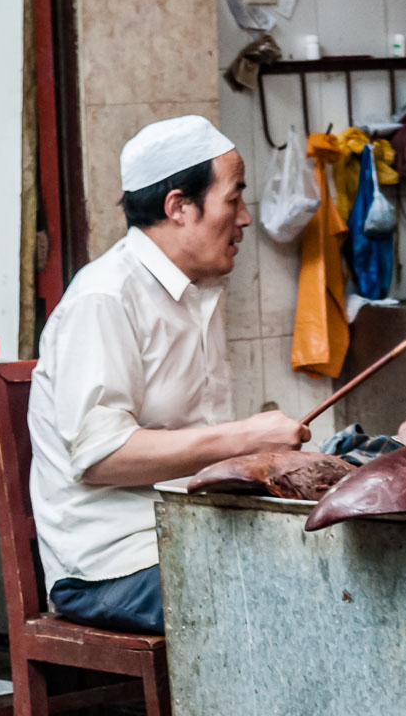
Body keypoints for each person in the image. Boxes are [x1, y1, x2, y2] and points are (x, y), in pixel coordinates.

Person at [28, 115, 309, 633]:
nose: (245, 218)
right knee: (282, 602)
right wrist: (244, 437)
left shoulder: (195, 292)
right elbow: (101, 457)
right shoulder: (105, 297)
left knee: (333, 568)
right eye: (234, 199)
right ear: (179, 207)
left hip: (188, 530)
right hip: (112, 564)